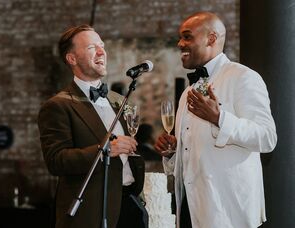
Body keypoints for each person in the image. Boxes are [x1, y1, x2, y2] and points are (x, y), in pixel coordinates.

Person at [154, 12, 277, 228]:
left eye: (187, 37)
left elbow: (267, 138)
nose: (180, 43)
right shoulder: (187, 93)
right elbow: (192, 155)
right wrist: (172, 152)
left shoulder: (243, 77)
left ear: (211, 38)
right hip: (191, 211)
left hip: (228, 213)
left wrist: (219, 118)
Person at [38, 25, 146, 228]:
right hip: (92, 212)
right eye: (91, 47)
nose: (101, 51)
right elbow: (56, 161)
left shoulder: (120, 101)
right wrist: (105, 150)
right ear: (72, 59)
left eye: (102, 45)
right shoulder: (58, 105)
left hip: (130, 208)